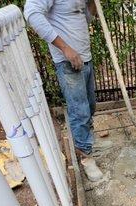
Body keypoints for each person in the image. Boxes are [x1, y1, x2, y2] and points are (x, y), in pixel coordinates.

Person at [24, 0, 113, 182]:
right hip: (67, 61)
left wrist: (92, 4)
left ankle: (87, 144)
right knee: (79, 111)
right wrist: (65, 48)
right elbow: (32, 14)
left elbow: (84, 19)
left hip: (84, 58)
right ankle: (86, 158)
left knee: (90, 106)